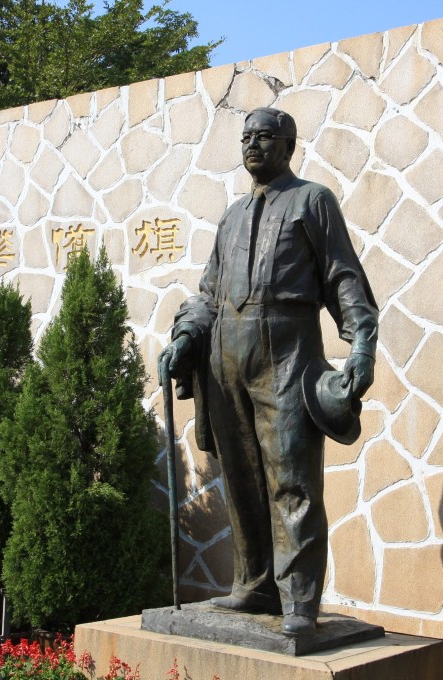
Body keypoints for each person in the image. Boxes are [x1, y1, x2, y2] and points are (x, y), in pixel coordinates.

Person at [159, 107, 377, 636]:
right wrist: (187, 334)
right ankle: (255, 585)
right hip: (226, 355)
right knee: (242, 479)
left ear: (288, 145)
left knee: (292, 478)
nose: (253, 145)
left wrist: (361, 345)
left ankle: (299, 599)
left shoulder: (312, 200)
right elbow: (209, 292)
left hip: (287, 347)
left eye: (265, 137)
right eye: (246, 137)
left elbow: (343, 278)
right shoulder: (232, 215)